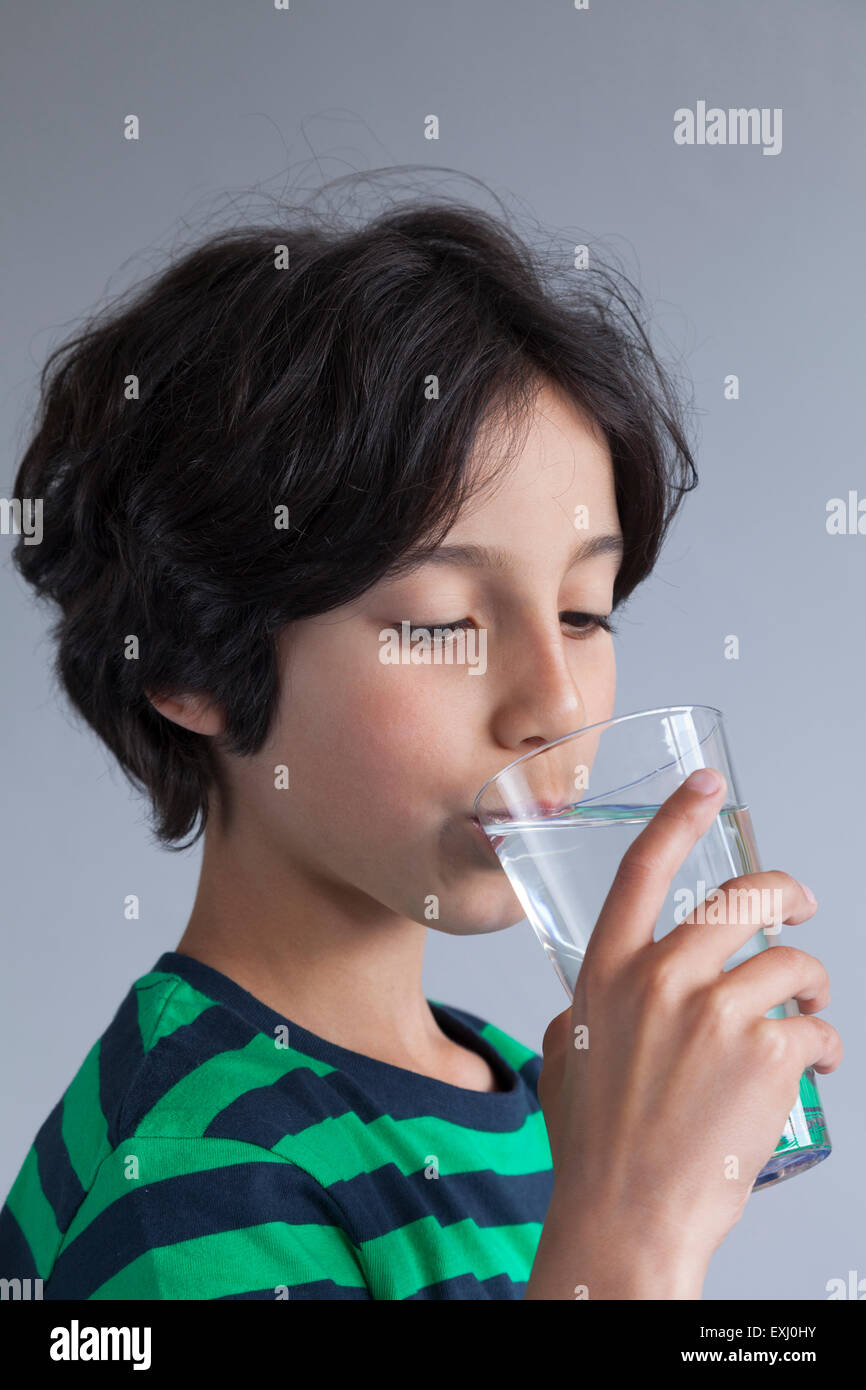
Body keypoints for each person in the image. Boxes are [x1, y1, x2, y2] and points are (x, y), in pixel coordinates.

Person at [0, 184, 842, 1299]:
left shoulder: (536, 1097)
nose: (554, 699)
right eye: (443, 622)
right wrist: (635, 1233)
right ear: (190, 662)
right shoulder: (194, 1175)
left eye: (583, 612)